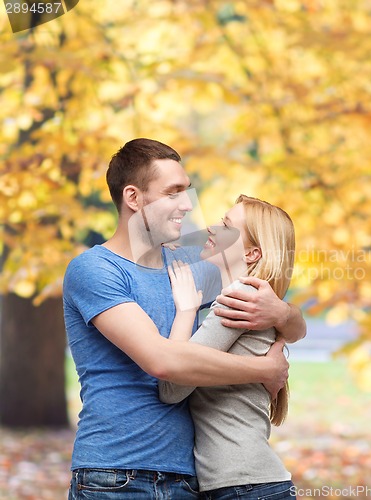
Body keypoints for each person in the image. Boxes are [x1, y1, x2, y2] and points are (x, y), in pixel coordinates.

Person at [63, 138, 306, 499]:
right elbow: (162, 362)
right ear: (134, 198)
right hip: (116, 474)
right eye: (173, 193)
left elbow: (273, 300)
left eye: (187, 192)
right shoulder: (95, 269)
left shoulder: (187, 266)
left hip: (189, 480)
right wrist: (264, 371)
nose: (187, 204)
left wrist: (283, 313)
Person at [159, 194, 298, 499]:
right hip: (248, 484)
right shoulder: (255, 300)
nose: (212, 229)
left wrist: (186, 311)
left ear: (251, 254)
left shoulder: (239, 301)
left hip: (244, 486)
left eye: (225, 226)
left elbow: (172, 388)